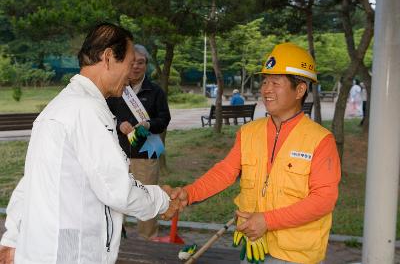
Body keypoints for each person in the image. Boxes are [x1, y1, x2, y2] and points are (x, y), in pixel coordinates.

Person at [0, 23, 180, 264]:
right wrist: (163, 201)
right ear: (108, 58)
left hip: (45, 249)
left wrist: (11, 238)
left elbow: (31, 180)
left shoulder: (60, 106)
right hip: (71, 253)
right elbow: (117, 189)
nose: (130, 74)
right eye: (128, 65)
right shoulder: (87, 110)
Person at [171, 43, 341, 264]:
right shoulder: (249, 132)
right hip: (254, 249)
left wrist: (268, 220)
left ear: (299, 90)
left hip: (296, 255)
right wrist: (189, 193)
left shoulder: (320, 140)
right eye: (265, 81)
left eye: (276, 83)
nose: (266, 89)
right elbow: (225, 172)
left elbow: (323, 200)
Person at [106, 44, 171, 239]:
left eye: (140, 62)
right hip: (118, 153)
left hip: (146, 153)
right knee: (116, 198)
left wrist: (150, 124)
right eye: (132, 62)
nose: (136, 66)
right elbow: (103, 115)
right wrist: (118, 124)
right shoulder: (114, 89)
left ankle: (149, 240)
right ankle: (116, 239)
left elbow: (164, 118)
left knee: (148, 198)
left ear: (146, 65)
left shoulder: (155, 91)